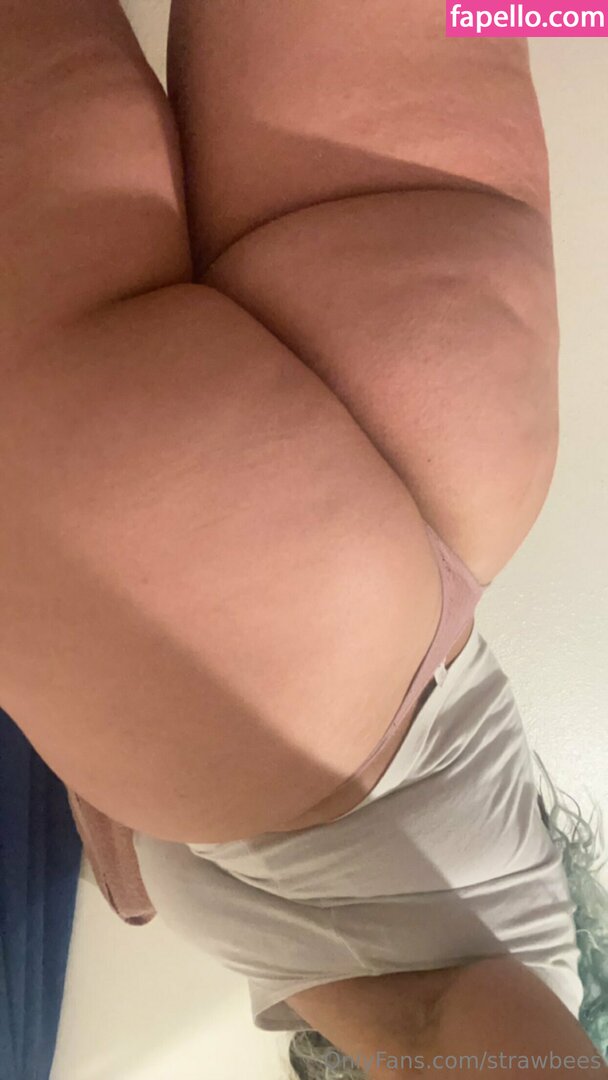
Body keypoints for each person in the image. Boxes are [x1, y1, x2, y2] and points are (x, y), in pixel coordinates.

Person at [1, 0, 606, 1075]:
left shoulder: (534, 936)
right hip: (253, 669)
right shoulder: (378, 995)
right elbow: (441, 1029)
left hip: (462, 427)